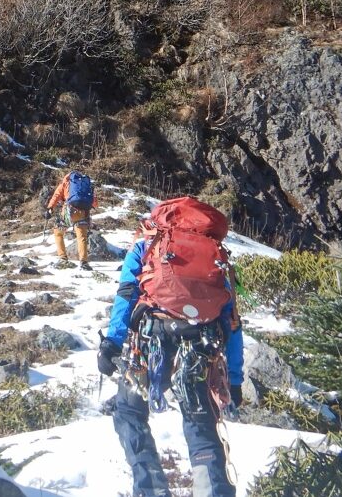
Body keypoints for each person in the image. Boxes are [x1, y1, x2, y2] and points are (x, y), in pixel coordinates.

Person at [97, 196, 245, 497]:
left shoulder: (148, 243)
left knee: (128, 411)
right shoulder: (215, 253)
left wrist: (112, 343)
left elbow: (126, 293)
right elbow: (231, 319)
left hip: (151, 344)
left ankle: (150, 489)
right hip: (200, 346)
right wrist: (234, 378)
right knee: (201, 422)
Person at [44, 170, 95, 269]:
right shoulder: (86, 185)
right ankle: (84, 262)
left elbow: (56, 196)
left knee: (58, 232)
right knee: (82, 236)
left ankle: (63, 257)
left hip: (68, 212)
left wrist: (50, 208)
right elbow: (94, 202)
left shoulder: (66, 182)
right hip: (83, 213)